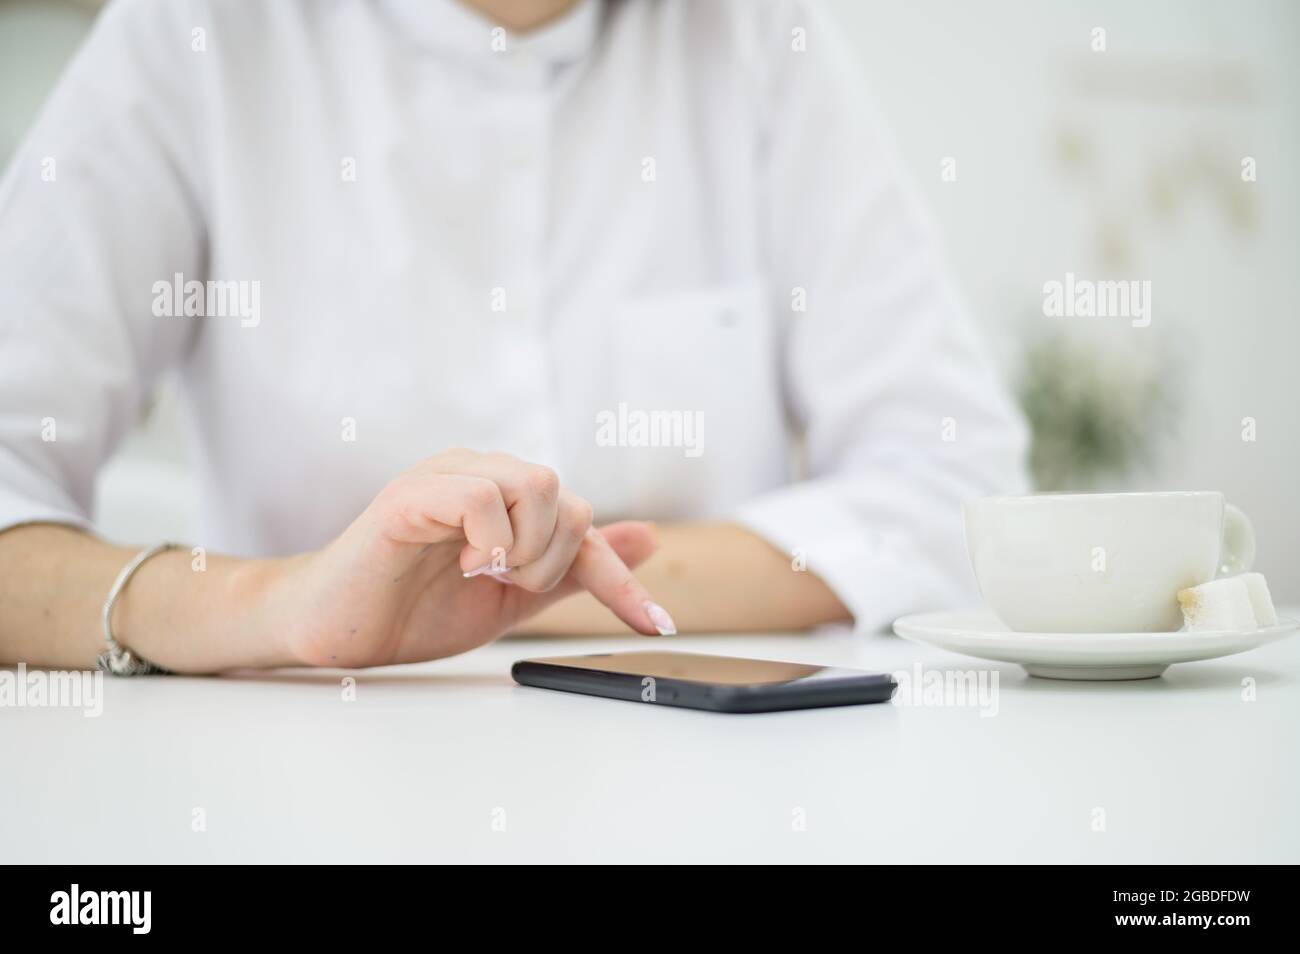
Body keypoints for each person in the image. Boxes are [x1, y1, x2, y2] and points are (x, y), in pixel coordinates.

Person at [0, 0, 1026, 674]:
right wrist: (282, 605)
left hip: (708, 778)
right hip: (301, 773)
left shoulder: (754, 35)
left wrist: (518, 598)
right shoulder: (198, 36)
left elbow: (956, 485)